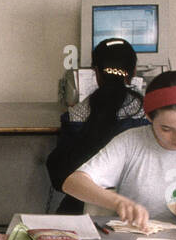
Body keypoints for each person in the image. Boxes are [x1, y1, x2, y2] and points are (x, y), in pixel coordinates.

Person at [61, 69, 176, 229]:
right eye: (166, 129)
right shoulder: (130, 143)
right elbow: (73, 183)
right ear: (148, 117)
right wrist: (118, 202)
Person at [46, 38, 148, 216]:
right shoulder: (148, 115)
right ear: (133, 72)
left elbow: (60, 173)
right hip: (136, 206)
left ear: (96, 73)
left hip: (83, 205)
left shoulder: (76, 114)